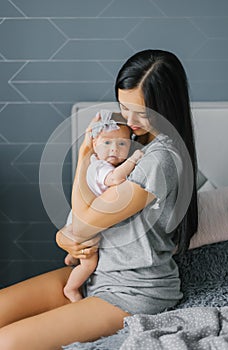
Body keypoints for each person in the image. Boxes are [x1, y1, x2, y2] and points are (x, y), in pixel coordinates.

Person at [0, 49, 198, 349]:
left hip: (132, 291)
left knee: (7, 342)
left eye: (140, 113)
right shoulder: (128, 143)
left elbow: (82, 225)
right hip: (96, 274)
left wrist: (84, 157)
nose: (129, 120)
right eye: (123, 107)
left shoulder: (160, 160)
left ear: (164, 107)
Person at [64, 109, 143, 302]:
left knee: (80, 253)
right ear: (94, 145)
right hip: (85, 225)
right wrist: (134, 159)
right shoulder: (100, 168)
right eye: (107, 143)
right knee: (89, 265)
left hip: (78, 217)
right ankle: (71, 288)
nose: (114, 149)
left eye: (122, 143)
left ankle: (71, 258)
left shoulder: (96, 162)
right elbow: (116, 179)